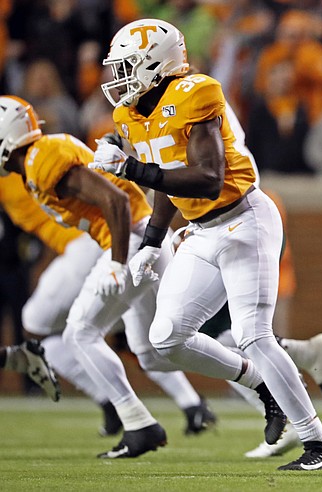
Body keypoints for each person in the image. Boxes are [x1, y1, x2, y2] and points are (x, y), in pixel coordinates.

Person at [90, 19, 322, 470]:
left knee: (253, 334)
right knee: (165, 337)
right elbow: (165, 178)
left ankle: (320, 444)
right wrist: (151, 241)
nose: (118, 78)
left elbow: (208, 179)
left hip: (246, 220)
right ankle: (262, 386)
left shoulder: (196, 91)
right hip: (201, 232)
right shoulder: (129, 114)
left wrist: (130, 169)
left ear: (155, 64)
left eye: (127, 66)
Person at [0, 95, 184, 459]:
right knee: (156, 350)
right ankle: (260, 378)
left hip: (132, 240)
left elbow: (114, 201)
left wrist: (116, 263)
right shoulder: (40, 158)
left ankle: (139, 424)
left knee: (79, 333)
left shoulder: (41, 160)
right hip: (139, 237)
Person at [0, 171, 217, 437]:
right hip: (111, 242)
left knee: (36, 326)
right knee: (136, 342)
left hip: (91, 246)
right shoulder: (37, 162)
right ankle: (192, 405)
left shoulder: (34, 161)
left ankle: (114, 402)